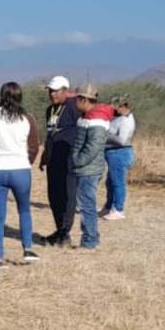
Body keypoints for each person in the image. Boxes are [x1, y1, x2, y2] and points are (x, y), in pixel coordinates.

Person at [0, 82, 41, 268]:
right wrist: (27, 162)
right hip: (20, 169)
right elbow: (34, 146)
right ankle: (27, 248)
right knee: (24, 210)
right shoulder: (27, 118)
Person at [39, 76, 80, 247]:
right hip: (53, 158)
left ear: (65, 91)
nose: (52, 94)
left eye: (55, 91)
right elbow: (50, 134)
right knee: (54, 195)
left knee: (68, 195)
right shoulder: (50, 110)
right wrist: (44, 155)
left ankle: (65, 231)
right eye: (50, 90)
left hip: (69, 158)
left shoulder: (74, 107)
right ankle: (59, 230)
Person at [72, 83, 113, 251]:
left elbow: (93, 146)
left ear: (83, 99)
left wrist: (77, 160)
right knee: (86, 204)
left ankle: (89, 240)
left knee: (87, 205)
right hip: (86, 168)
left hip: (88, 169)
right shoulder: (88, 117)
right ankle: (92, 237)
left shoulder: (96, 121)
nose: (75, 102)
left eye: (77, 99)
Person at [101, 96, 136, 220]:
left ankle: (118, 209)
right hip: (113, 153)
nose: (115, 108)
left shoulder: (126, 120)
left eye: (118, 106)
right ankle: (109, 206)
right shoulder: (118, 117)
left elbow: (122, 140)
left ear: (125, 106)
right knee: (110, 182)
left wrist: (105, 136)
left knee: (118, 183)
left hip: (119, 153)